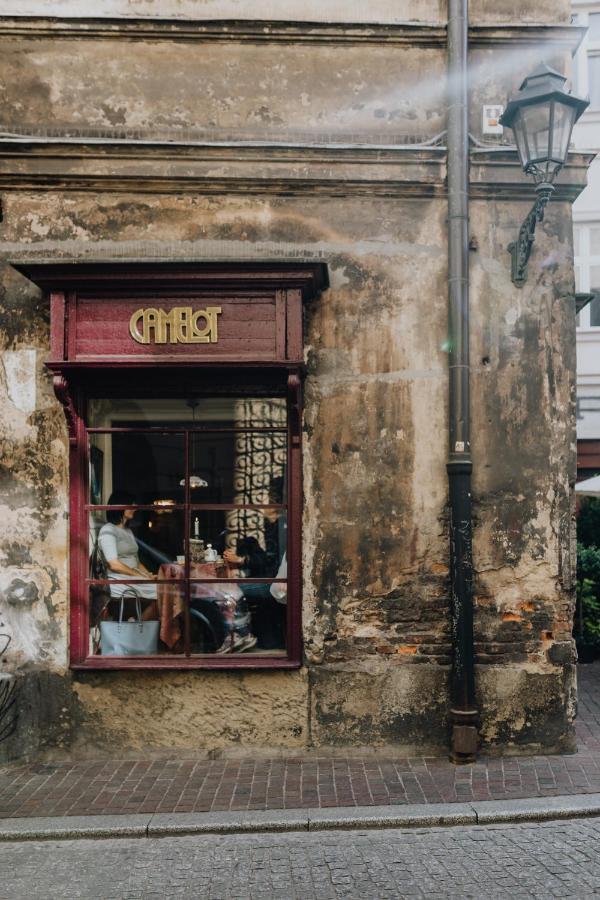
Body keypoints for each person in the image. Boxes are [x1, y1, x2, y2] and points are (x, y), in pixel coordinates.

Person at [98, 491, 158, 621]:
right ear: (119, 507)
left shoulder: (128, 530)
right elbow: (114, 564)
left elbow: (136, 560)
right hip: (118, 579)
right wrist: (139, 576)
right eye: (130, 505)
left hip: (132, 575)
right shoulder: (108, 530)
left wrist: (148, 574)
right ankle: (137, 628)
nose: (134, 508)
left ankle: (136, 626)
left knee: (167, 590)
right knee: (164, 592)